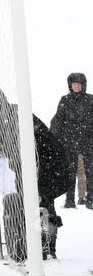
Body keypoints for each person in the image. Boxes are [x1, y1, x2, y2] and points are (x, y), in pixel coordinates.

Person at [0, 83, 67, 261]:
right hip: (29, 168)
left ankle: (46, 248)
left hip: (48, 165)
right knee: (30, 204)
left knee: (41, 205)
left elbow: (13, 143)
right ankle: (30, 247)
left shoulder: (14, 113)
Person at [49, 73, 93, 209]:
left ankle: (91, 199)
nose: (77, 86)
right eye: (74, 83)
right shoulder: (65, 100)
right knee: (70, 172)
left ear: (83, 85)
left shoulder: (91, 100)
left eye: (79, 83)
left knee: (91, 171)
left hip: (88, 142)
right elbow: (57, 121)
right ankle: (69, 201)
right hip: (69, 143)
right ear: (70, 85)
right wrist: (52, 139)